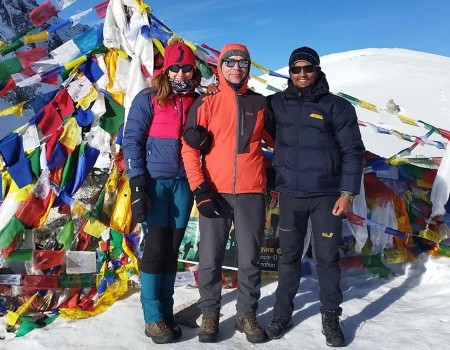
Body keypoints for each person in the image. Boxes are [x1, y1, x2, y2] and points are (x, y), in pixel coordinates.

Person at [264, 46, 365, 347]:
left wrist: (347, 192)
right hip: (291, 194)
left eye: (308, 68)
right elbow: (247, 112)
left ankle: (331, 316)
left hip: (326, 196)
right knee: (289, 258)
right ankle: (282, 313)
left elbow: (352, 151)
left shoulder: (337, 106)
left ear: (318, 70)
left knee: (327, 260)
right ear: (290, 73)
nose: (302, 74)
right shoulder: (276, 104)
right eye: (296, 69)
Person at [181, 43, 275, 344]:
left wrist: (272, 174)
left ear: (248, 67)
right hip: (215, 191)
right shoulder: (205, 103)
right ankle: (210, 315)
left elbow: (280, 142)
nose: (236, 67)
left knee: (250, 258)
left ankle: (246, 314)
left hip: (251, 192)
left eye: (243, 62)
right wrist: (200, 189)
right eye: (230, 62)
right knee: (210, 258)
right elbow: (189, 149)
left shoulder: (260, 103)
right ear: (219, 66)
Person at [122, 40, 201, 344]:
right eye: (175, 67)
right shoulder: (149, 99)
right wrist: (137, 181)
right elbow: (132, 140)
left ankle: (166, 313)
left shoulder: (198, 101)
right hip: (155, 182)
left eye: (186, 67)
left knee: (172, 249)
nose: (181, 73)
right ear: (166, 70)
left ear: (193, 70)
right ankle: (153, 317)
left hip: (184, 184)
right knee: (155, 248)